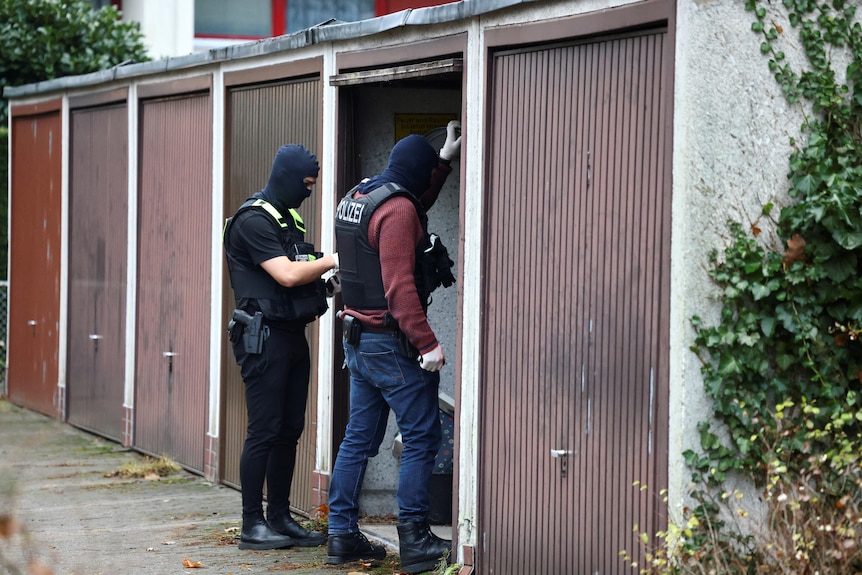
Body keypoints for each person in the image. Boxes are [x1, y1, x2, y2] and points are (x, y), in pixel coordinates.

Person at [327, 121, 461, 573]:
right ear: (415, 174)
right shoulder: (399, 211)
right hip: (391, 342)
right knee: (422, 435)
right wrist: (428, 343)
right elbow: (401, 287)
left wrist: (441, 162)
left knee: (358, 438)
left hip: (358, 340)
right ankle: (416, 540)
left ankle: (341, 535)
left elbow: (408, 205)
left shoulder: (360, 197)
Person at [223, 144, 338, 551]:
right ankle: (252, 525)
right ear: (288, 178)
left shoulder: (287, 217)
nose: (308, 192)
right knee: (264, 431)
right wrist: (331, 260)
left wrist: (323, 281)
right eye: (305, 185)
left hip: (291, 335)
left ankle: (280, 518)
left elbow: (296, 277)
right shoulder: (252, 220)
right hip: (263, 337)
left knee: (289, 430)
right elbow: (288, 275)